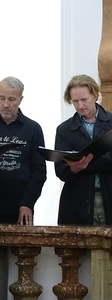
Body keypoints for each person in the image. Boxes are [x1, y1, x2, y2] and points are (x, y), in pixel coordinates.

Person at [55, 74, 112, 225]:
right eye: (75, 101)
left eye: (84, 100)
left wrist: (82, 165)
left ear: (95, 95)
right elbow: (61, 170)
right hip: (78, 199)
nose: (80, 106)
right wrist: (73, 169)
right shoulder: (64, 129)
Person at [0, 76, 46, 225]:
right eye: (1, 98)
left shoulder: (33, 129)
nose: (6, 104)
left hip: (21, 208)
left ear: (20, 99)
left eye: (11, 99)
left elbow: (39, 171)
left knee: (22, 248)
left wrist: (28, 203)